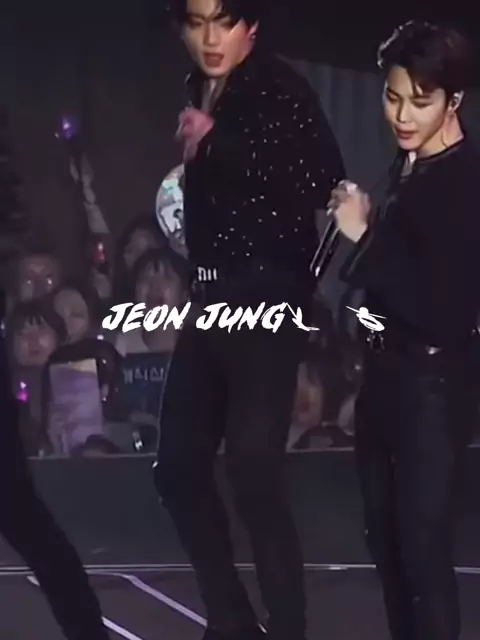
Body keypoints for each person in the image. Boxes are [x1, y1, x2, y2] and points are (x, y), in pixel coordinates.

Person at [153, 1, 345, 639]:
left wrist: (219, 141)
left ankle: (287, 627)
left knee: (253, 466)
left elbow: (323, 177)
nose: (210, 37)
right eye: (197, 22)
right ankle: (231, 619)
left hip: (266, 295)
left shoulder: (278, 86)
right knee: (177, 466)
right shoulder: (202, 84)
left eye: (224, 21)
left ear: (251, 26)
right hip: (211, 297)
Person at [328, 20, 480, 640]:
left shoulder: (465, 178)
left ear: (454, 100)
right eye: (393, 97)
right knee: (387, 544)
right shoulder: (409, 165)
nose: (402, 115)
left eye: (421, 101)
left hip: (432, 387)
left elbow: (442, 303)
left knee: (421, 549)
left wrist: (364, 235)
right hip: (388, 381)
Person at [0, 291, 109, 638]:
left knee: (38, 537)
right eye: (23, 333)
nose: (32, 341)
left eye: (41, 330)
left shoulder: (75, 378)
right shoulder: (18, 393)